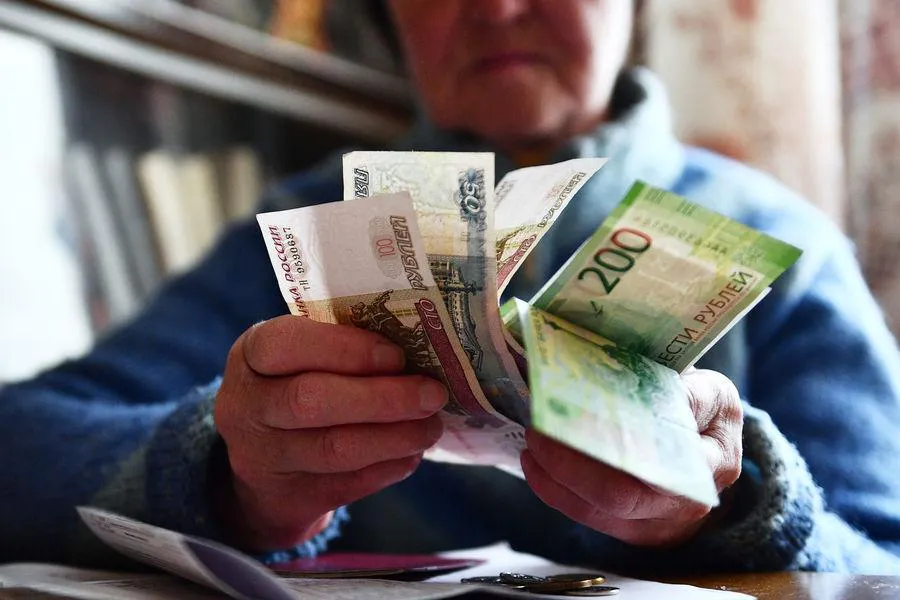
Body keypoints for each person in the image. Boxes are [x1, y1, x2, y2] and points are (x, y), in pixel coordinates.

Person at [3, 0, 900, 574]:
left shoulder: (785, 248)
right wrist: (229, 476)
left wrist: (739, 504)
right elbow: (18, 444)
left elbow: (882, 563)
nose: (497, 8)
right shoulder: (295, 234)